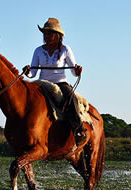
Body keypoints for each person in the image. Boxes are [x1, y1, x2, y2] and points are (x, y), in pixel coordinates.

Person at [23, 18, 87, 146]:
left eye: (49, 33)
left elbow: (74, 72)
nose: (46, 36)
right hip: (41, 83)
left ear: (57, 35)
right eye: (44, 33)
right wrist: (27, 71)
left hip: (60, 83)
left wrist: (78, 71)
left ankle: (79, 130)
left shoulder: (66, 50)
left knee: (70, 97)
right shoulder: (38, 51)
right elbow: (33, 73)